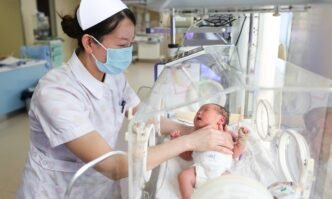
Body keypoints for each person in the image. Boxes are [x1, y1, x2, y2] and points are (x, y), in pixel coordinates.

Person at [16, 1, 234, 198]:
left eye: (131, 43)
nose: (128, 52)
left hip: (101, 188)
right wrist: (189, 142)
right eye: (122, 45)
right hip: (59, 190)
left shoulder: (112, 76)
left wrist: (193, 130)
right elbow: (111, 165)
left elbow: (144, 115)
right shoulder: (55, 92)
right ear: (90, 43)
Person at [170, 103, 249, 199]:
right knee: (183, 176)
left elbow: (235, 153)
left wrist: (242, 139)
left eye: (205, 110)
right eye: (198, 111)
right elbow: (187, 156)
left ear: (221, 120)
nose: (199, 112)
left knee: (235, 184)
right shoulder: (195, 135)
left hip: (221, 173)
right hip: (200, 171)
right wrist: (177, 142)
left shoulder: (227, 135)